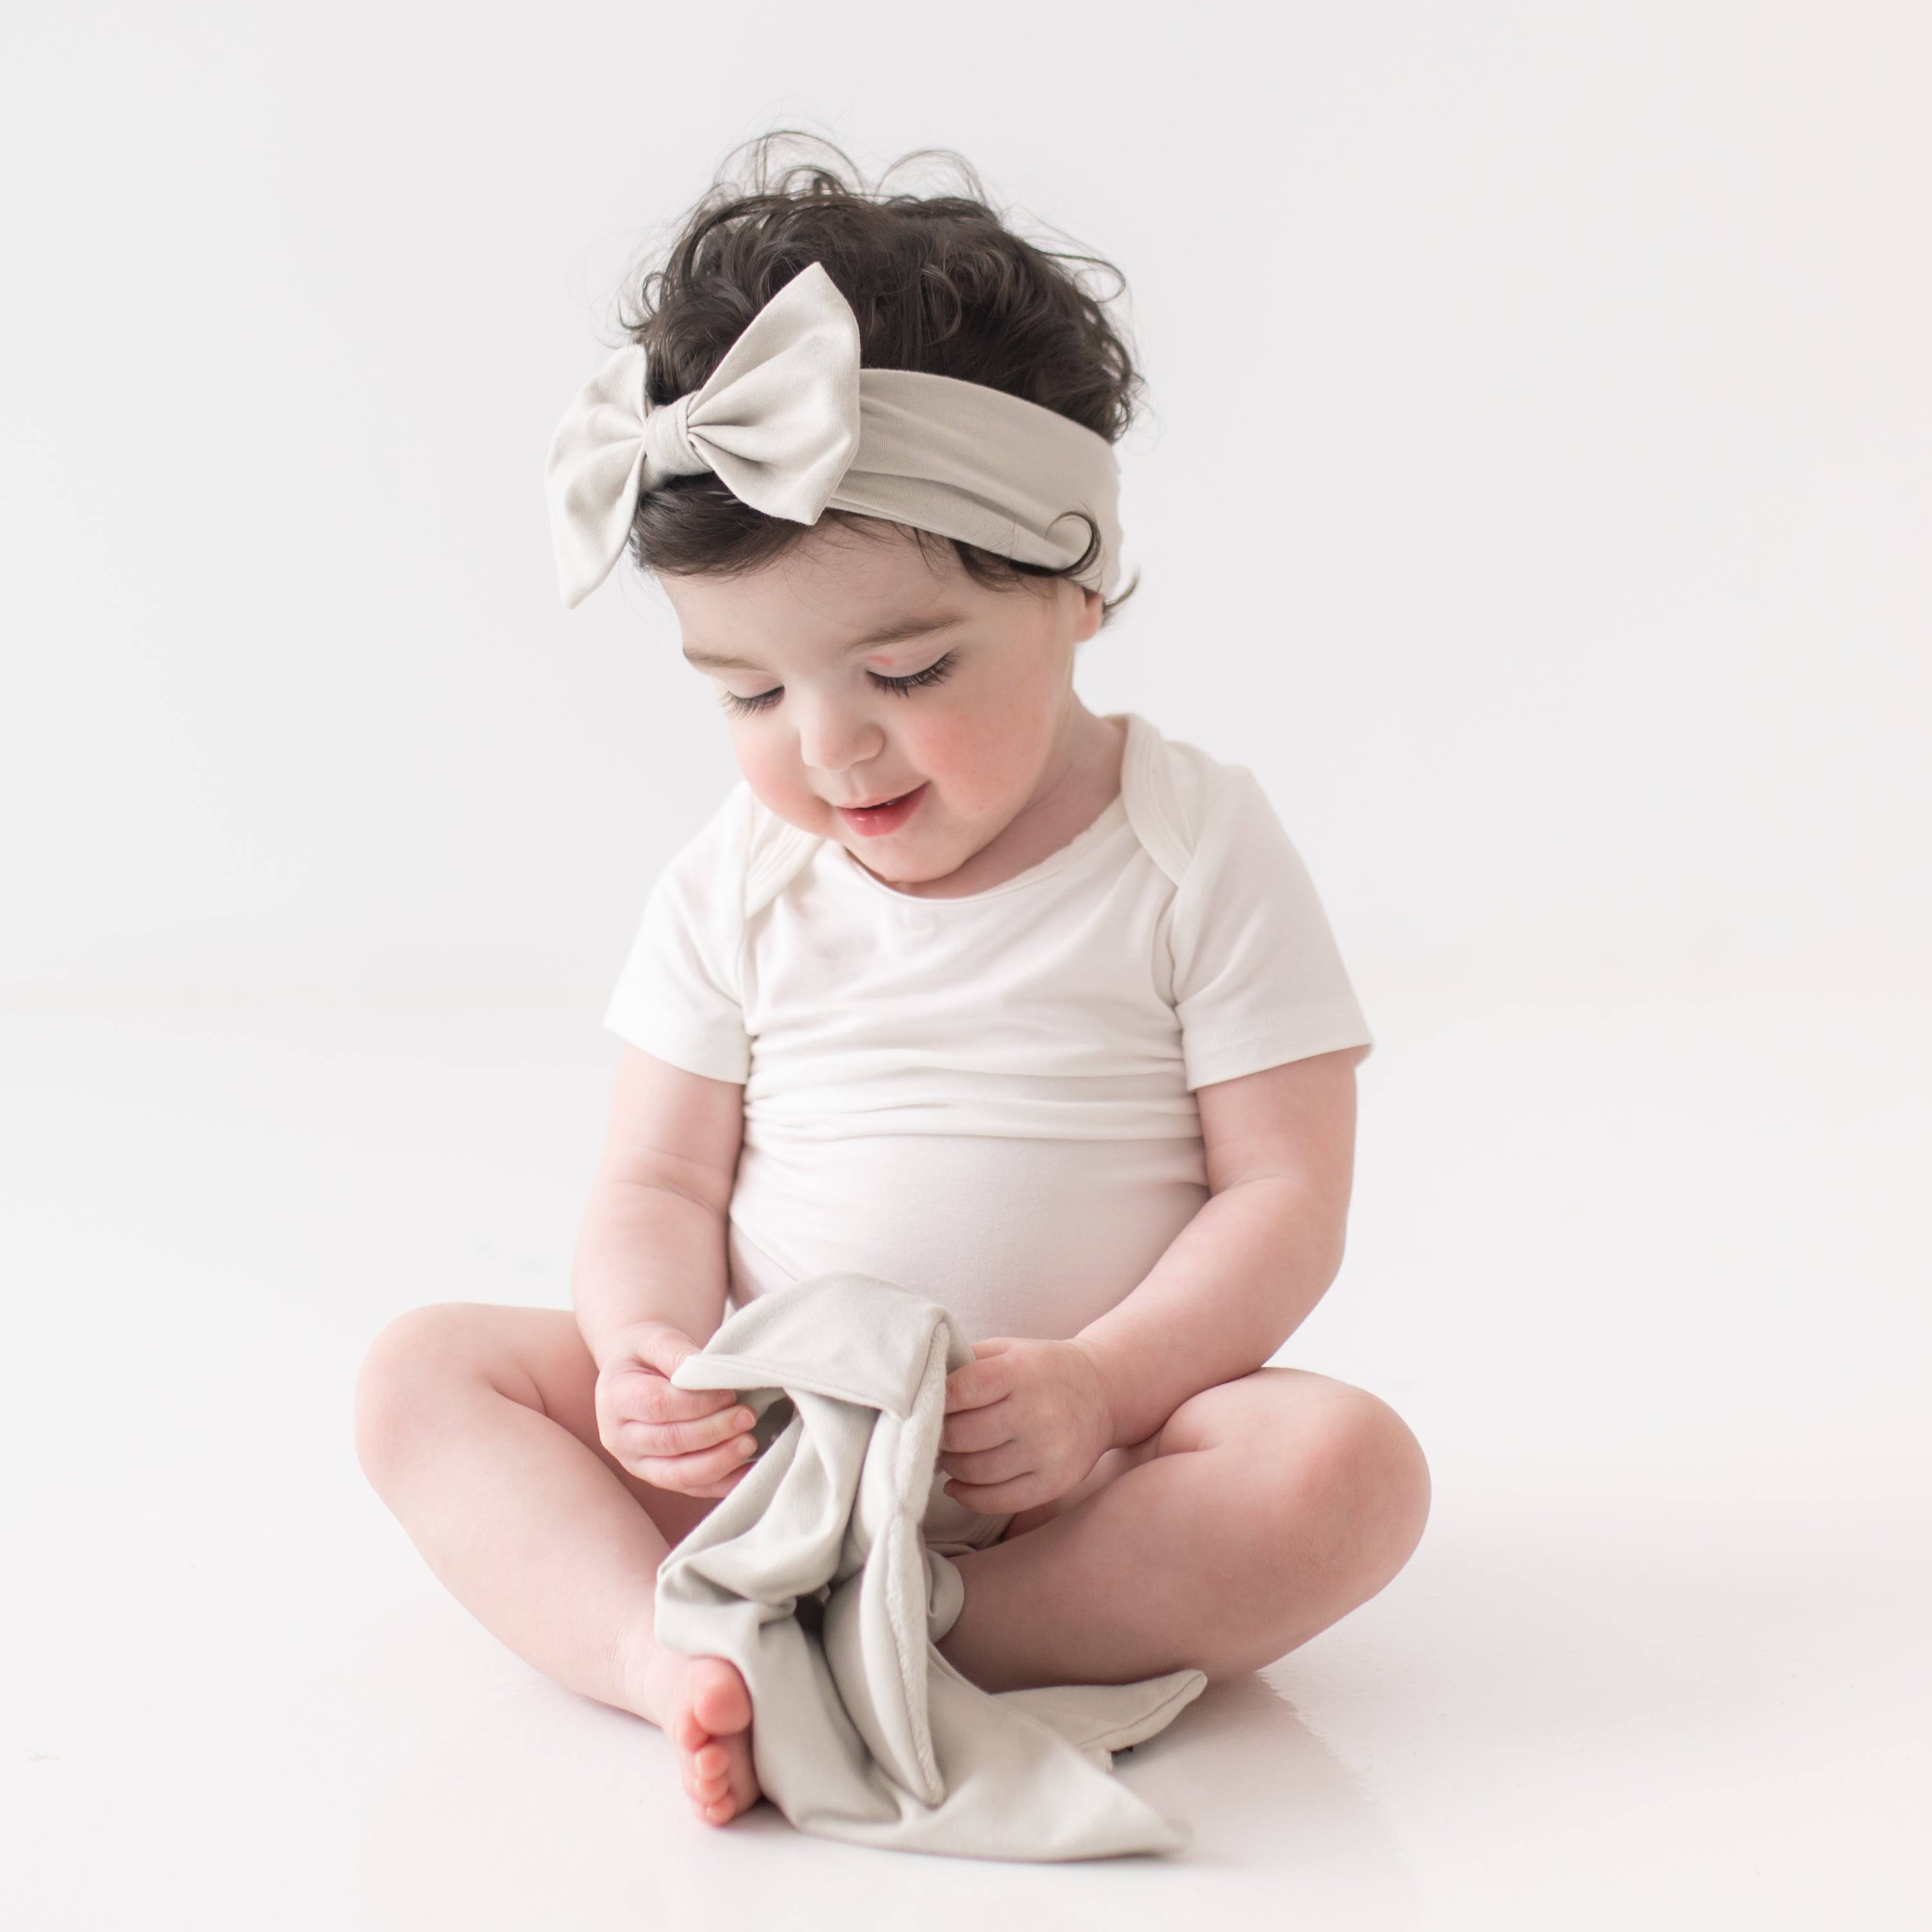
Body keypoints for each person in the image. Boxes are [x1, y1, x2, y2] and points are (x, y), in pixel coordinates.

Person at [355, 139, 1430, 1832]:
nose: (828, 746)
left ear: (1078, 584)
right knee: (423, 1375)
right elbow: (656, 1183)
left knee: (1345, 1473)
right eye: (748, 692)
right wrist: (646, 1354)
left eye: (907, 669)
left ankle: (923, 1634)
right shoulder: (740, 877)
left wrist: (1103, 1387)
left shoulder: (1192, 846)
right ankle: (664, 1652)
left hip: (1064, 1470)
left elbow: (1284, 1198)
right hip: (772, 1442)